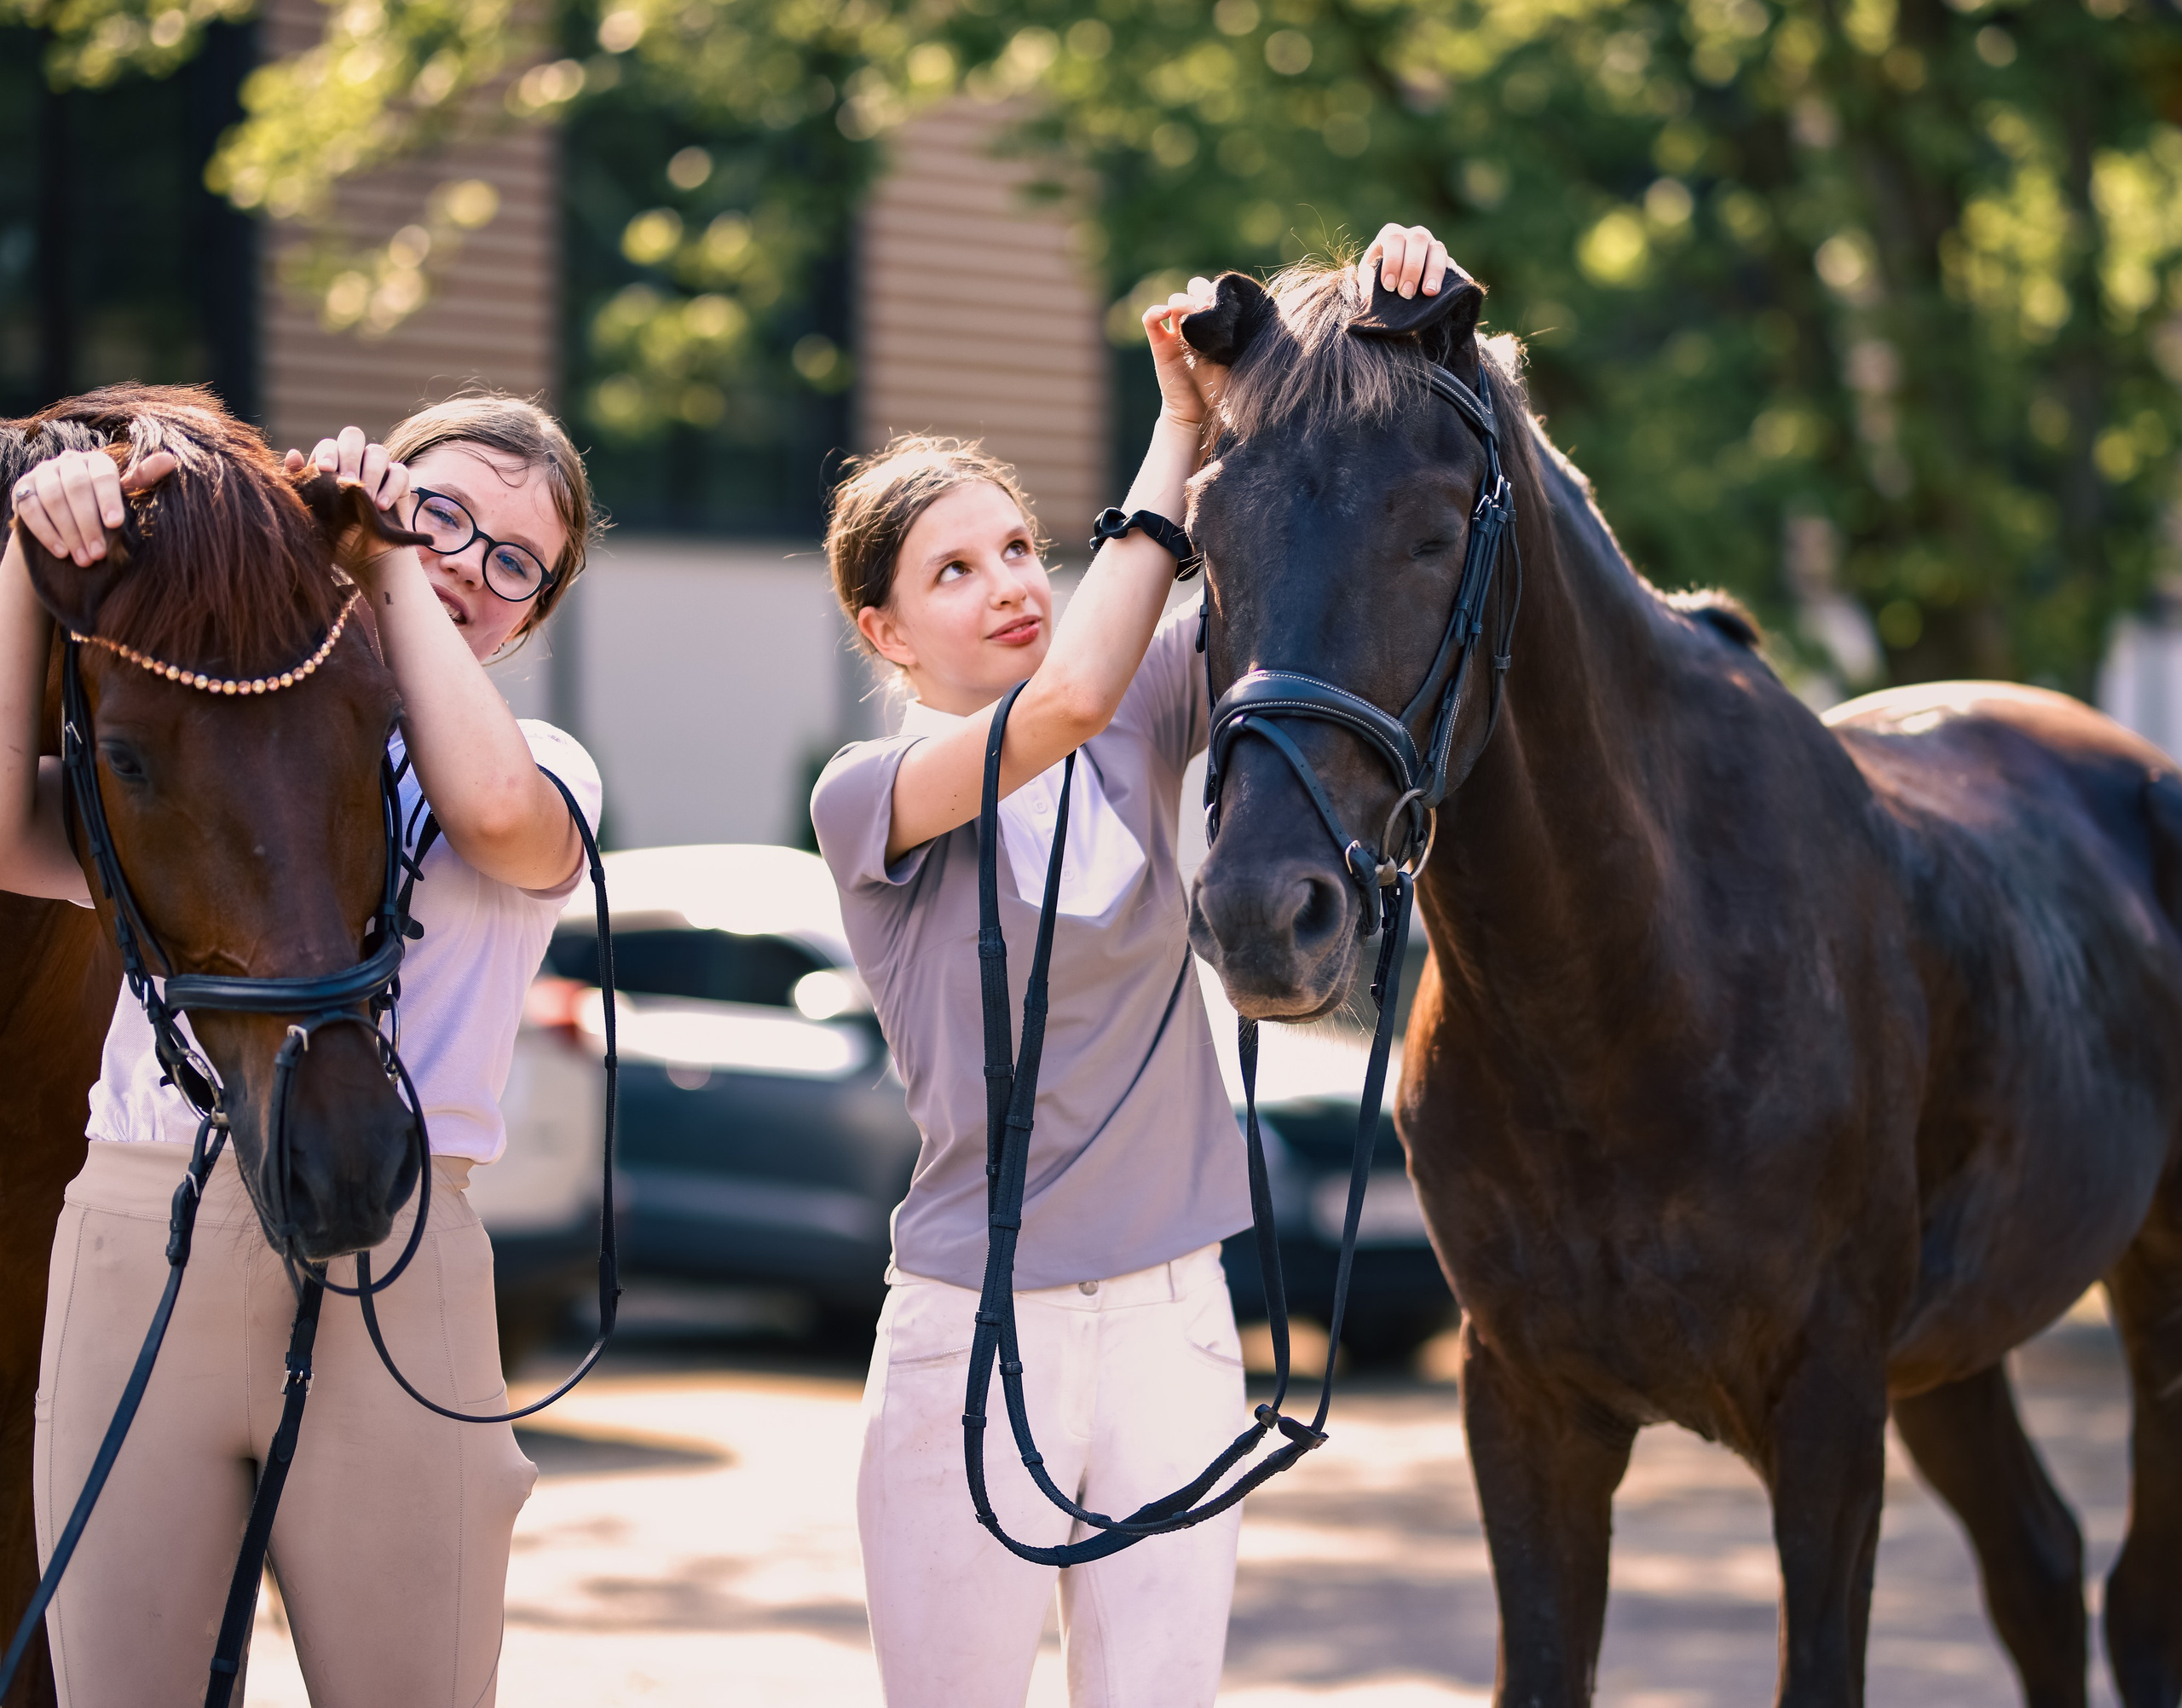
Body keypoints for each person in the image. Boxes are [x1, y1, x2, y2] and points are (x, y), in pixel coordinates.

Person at [811, 223, 1453, 1707]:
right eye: (952, 571)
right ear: (884, 629)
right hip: (977, 1329)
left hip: (1176, 1315)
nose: (1008, 586)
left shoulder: (1142, 722)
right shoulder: (872, 795)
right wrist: (1167, 433)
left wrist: (1386, 307)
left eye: (1018, 549)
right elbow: (1081, 679)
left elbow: (1295, 561)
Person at [0, 391, 603, 1705]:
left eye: (515, 563)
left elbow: (496, 812)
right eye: (436, 510)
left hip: (392, 1240)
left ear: (532, 616)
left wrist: (382, 559)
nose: (463, 563)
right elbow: (5, 839)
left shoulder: (545, 764)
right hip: (145, 1221)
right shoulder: (215, 733)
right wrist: (27, 571)